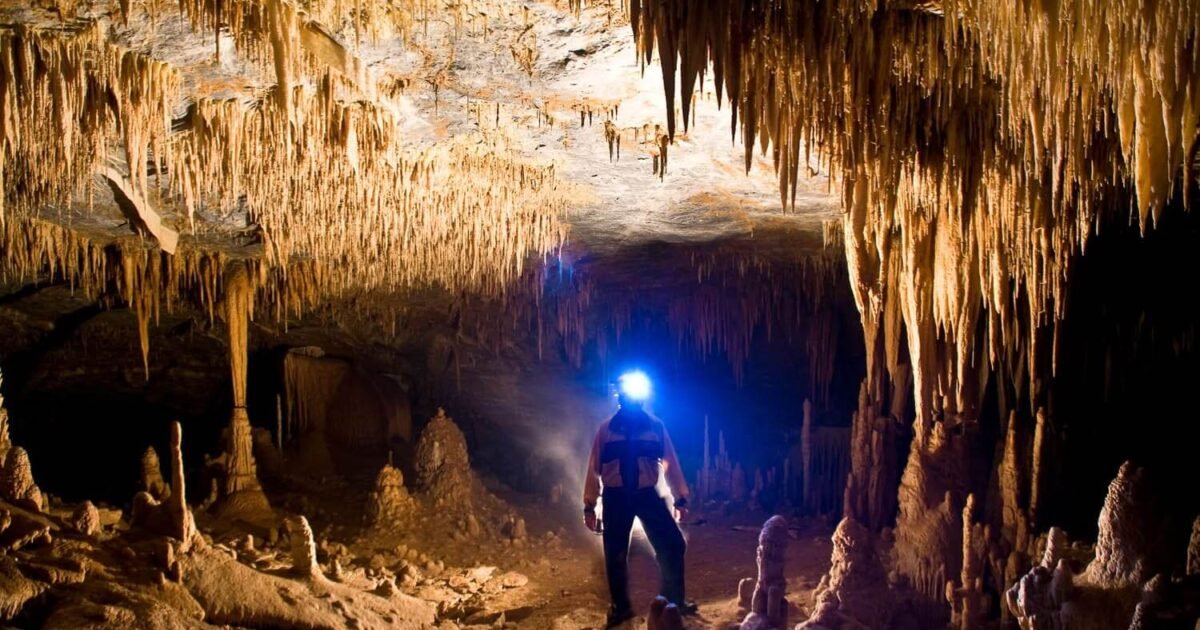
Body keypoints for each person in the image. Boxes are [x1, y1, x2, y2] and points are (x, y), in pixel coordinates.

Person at [582, 372, 696, 627]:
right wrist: (589, 505)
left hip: (646, 495)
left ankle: (672, 602)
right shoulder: (606, 430)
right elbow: (593, 468)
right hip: (616, 497)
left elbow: (670, 463)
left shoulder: (656, 427)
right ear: (620, 396)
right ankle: (621, 608)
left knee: (673, 544)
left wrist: (681, 497)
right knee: (615, 553)